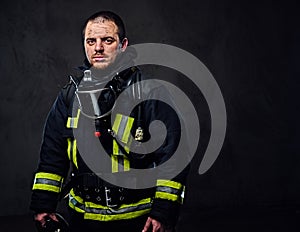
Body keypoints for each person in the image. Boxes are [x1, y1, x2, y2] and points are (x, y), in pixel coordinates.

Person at [30, 11, 189, 232]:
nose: (98, 48)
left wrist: (163, 213)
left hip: (138, 222)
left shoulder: (150, 93)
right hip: (82, 220)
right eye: (91, 41)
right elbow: (52, 156)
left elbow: (174, 157)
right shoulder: (70, 96)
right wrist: (43, 205)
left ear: (123, 45)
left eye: (107, 40)